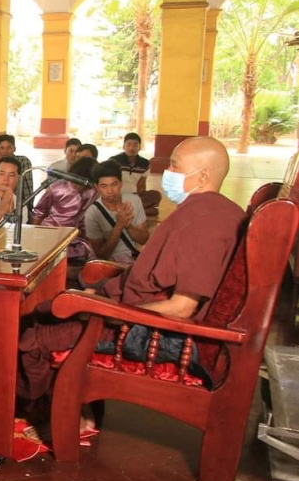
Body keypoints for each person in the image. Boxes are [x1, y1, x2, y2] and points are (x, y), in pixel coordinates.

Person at [18, 137, 246, 408]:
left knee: (30, 339)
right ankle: (75, 407)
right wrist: (101, 291)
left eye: (174, 165)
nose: (168, 173)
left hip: (142, 328)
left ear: (203, 176)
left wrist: (106, 311)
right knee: (41, 310)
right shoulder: (214, 210)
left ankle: (39, 410)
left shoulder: (205, 223)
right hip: (126, 307)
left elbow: (182, 307)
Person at [84, 160, 150, 264]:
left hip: (132, 258)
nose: (110, 191)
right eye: (104, 186)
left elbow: (143, 239)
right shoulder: (92, 213)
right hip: (108, 263)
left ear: (121, 184)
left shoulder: (134, 200)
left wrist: (128, 225)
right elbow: (101, 255)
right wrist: (119, 226)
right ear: (97, 188)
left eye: (114, 184)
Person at [31, 157, 97, 228]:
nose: (80, 186)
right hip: (51, 229)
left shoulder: (94, 191)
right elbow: (39, 213)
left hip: (77, 234)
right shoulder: (57, 187)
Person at [109, 132, 161, 216]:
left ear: (139, 147)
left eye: (135, 145)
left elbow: (141, 185)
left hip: (134, 196)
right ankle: (138, 209)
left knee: (156, 195)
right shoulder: (114, 161)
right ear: (123, 146)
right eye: (128, 145)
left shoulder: (145, 164)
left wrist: (140, 197)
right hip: (117, 196)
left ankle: (129, 208)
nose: (131, 148)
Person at [0, 134, 34, 205]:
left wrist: (28, 206)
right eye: (2, 148)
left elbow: (28, 187)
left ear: (14, 149)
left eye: (9, 148)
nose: (5, 151)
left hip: (21, 204)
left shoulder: (24, 161)